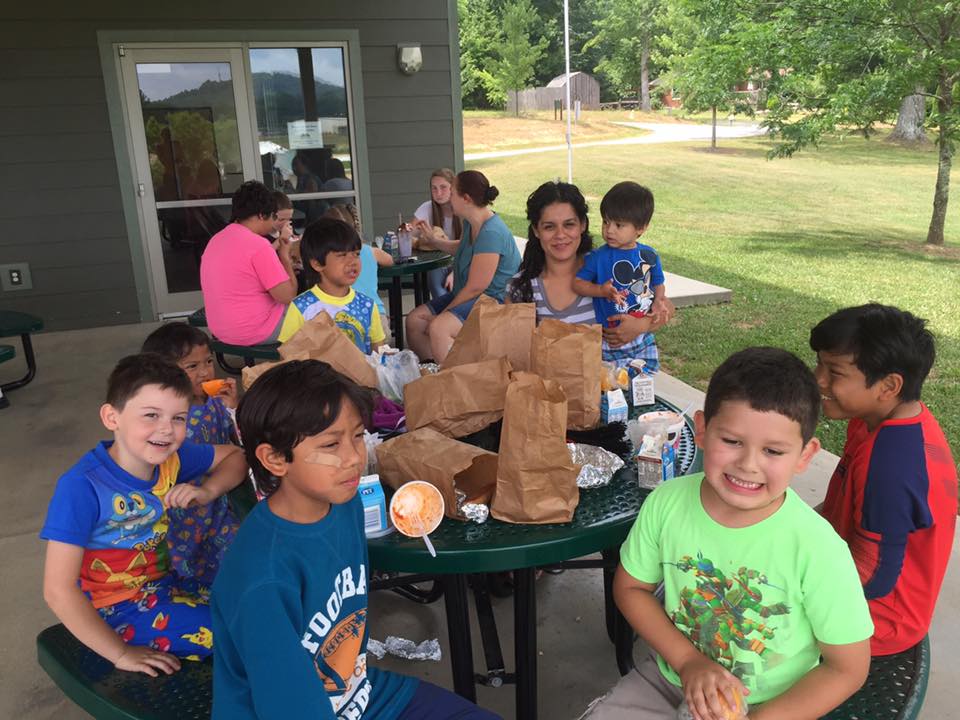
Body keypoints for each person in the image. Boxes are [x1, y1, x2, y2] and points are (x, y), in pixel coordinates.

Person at [583, 347, 873, 720]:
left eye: (773, 450)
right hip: (671, 675)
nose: (748, 464)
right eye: (732, 441)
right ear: (702, 430)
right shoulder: (665, 504)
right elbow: (630, 588)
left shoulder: (818, 549)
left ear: (805, 455)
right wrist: (687, 661)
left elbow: (847, 667)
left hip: (776, 702)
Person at [211, 359, 501, 719]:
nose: (354, 458)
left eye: (358, 436)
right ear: (274, 458)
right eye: (331, 445)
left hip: (359, 693)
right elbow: (288, 707)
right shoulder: (262, 579)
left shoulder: (343, 504)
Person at [40, 354, 248, 674]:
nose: (166, 430)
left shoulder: (170, 459)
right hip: (113, 613)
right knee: (241, 637)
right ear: (112, 417)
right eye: (151, 415)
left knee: (251, 601)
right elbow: (58, 590)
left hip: (166, 585)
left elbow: (236, 456)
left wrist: (208, 491)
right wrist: (121, 654)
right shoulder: (82, 487)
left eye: (179, 418)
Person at [810, 303, 957, 657]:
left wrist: (786, 578)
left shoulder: (892, 464)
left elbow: (871, 578)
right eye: (819, 364)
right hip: (845, 568)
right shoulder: (874, 418)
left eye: (834, 371)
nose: (818, 379)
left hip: (876, 621)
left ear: (889, 386)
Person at [141, 323, 241, 590]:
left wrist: (233, 409)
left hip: (220, 500)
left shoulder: (216, 403)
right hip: (182, 510)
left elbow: (238, 443)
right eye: (192, 367)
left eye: (208, 361)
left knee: (230, 554)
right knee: (186, 562)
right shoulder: (166, 422)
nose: (206, 372)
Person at [506, 181, 673, 340]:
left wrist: (641, 325)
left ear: (583, 225)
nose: (560, 235)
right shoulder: (521, 287)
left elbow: (667, 308)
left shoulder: (605, 265)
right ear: (536, 230)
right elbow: (516, 348)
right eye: (549, 226)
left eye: (569, 224)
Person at [405, 170, 521, 362]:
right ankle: (433, 370)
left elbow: (476, 287)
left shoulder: (491, 233)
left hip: (493, 302)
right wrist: (434, 241)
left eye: (452, 193)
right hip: (470, 295)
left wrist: (444, 313)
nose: (449, 197)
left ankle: (455, 383)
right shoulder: (472, 223)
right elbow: (461, 246)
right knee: (414, 321)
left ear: (466, 199)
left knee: (439, 327)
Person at [572, 181, 669, 371]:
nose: (609, 230)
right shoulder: (598, 258)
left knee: (642, 382)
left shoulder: (649, 256)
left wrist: (659, 300)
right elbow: (577, 283)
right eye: (606, 222)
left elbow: (658, 282)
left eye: (619, 225)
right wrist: (600, 290)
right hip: (609, 340)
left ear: (641, 228)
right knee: (609, 385)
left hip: (641, 338)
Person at [200, 181, 298, 345]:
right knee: (318, 312)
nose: (274, 223)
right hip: (255, 330)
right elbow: (287, 296)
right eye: (274, 216)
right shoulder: (258, 245)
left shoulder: (215, 240)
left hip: (220, 329)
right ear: (261, 215)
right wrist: (285, 258)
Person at [277, 217, 386, 353]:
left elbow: (380, 351)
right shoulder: (301, 307)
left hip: (361, 374)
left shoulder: (367, 305)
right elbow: (288, 356)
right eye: (342, 255)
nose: (353, 261)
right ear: (317, 264)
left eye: (356, 254)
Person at [326, 203, 394, 343]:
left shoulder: (329, 258)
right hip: (377, 317)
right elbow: (389, 260)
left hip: (346, 320)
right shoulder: (370, 250)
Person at [410, 168, 462, 300]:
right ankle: (444, 311)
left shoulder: (462, 210)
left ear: (453, 188)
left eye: (443, 187)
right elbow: (410, 234)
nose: (438, 193)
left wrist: (456, 273)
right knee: (435, 271)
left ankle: (446, 313)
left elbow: (469, 248)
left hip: (462, 261)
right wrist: (406, 231)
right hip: (440, 263)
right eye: (434, 188)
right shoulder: (427, 208)